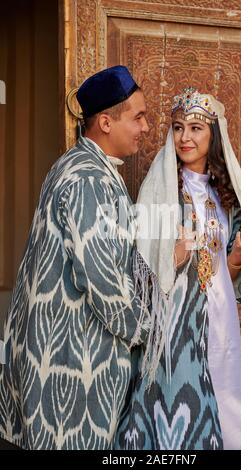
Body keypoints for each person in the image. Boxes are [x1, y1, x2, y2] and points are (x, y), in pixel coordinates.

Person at [115, 88, 241, 451]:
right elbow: (137, 275)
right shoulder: (158, 191)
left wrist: (238, 255)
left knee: (225, 402)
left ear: (213, 135)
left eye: (196, 128)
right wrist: (175, 255)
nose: (185, 137)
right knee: (178, 412)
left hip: (220, 320)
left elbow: (224, 276)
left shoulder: (225, 195)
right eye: (179, 127)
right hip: (175, 326)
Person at [0, 65, 150, 449]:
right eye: (138, 117)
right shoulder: (89, 179)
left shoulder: (75, 164)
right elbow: (102, 278)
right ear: (105, 122)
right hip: (72, 364)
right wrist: (145, 331)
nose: (145, 128)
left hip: (57, 353)